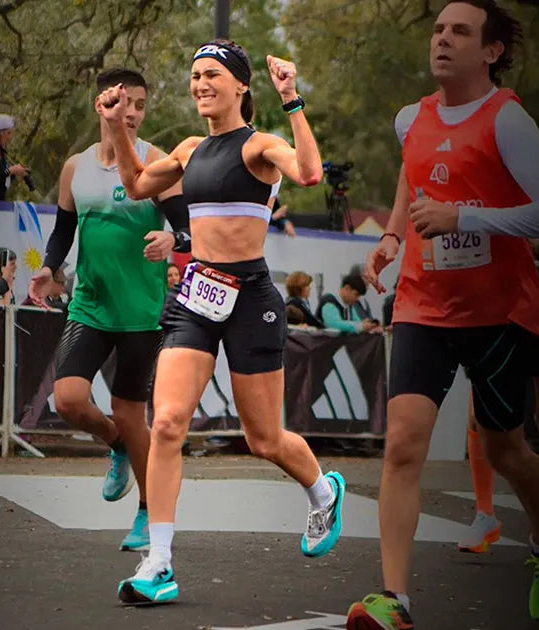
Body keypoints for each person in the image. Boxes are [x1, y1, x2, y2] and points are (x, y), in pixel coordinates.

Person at [347, 2, 539, 627]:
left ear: (492, 52)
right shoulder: (409, 119)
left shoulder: (509, 123)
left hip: (499, 311)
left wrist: (463, 217)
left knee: (507, 452)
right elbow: (412, 174)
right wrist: (395, 236)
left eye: (461, 32)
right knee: (402, 445)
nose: (443, 40)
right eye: (439, 29)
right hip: (424, 300)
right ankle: (396, 600)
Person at [98, 41, 346, 605]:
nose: (200, 83)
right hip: (197, 296)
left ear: (240, 85)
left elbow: (309, 173)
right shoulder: (188, 150)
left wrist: (293, 100)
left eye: (211, 74)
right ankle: (158, 562)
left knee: (264, 439)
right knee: (167, 423)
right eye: (193, 76)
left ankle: (322, 491)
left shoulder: (262, 146)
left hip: (251, 299)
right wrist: (116, 127)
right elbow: (138, 184)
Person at [28, 67, 193, 557]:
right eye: (126, 104)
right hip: (89, 304)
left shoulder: (157, 163)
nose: (134, 114)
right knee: (69, 400)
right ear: (103, 105)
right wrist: (50, 267)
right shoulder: (75, 167)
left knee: (130, 410)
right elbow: (63, 230)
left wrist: (172, 239)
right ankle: (115, 443)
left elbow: (187, 228)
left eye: (141, 105)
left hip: (140, 312)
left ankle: (147, 509)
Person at [458, 238, 539, 555]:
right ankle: (485, 515)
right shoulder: (498, 278)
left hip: (527, 337)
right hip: (497, 333)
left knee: (519, 443)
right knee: (475, 418)